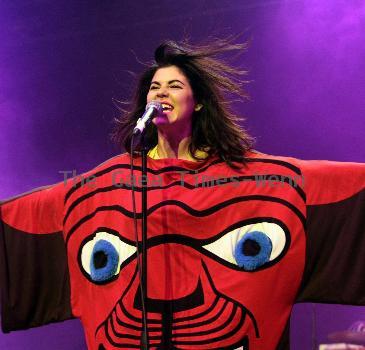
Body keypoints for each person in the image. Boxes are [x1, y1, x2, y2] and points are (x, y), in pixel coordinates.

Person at [0, 39, 364, 350]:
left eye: (174, 85)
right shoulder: (114, 179)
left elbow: (320, 181)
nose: (160, 93)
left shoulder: (243, 175)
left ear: (199, 102)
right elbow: (44, 207)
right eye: (155, 87)